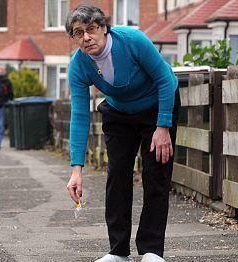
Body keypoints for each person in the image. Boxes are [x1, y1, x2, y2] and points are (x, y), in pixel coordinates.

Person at [65, 5, 180, 262]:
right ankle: (118, 251)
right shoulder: (78, 65)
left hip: (157, 107)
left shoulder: (132, 41)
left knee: (156, 174)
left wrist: (163, 126)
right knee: (117, 175)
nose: (86, 37)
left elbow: (164, 78)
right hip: (119, 112)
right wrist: (76, 169)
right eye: (78, 33)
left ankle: (151, 250)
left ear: (104, 28)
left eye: (92, 29)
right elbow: (80, 116)